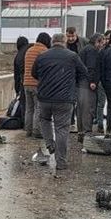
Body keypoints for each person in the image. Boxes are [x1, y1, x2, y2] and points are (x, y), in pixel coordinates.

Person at [32, 33, 90, 170]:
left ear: (52, 42)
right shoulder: (72, 56)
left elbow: (34, 73)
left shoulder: (42, 56)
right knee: (62, 129)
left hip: (44, 97)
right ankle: (61, 162)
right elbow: (84, 73)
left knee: (44, 120)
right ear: (64, 42)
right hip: (64, 100)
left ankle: (49, 143)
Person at [22, 33, 51, 138]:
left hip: (26, 83)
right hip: (37, 84)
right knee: (38, 108)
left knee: (29, 108)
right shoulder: (44, 51)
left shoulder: (29, 50)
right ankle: (37, 131)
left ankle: (28, 130)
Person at [76, 33, 103, 141]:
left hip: (81, 83)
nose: (102, 45)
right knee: (88, 109)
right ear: (97, 42)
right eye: (101, 42)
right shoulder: (92, 51)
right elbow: (91, 67)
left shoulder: (85, 49)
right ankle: (86, 134)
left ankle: (81, 132)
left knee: (81, 109)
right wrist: (92, 81)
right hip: (87, 84)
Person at [13, 36, 30, 119]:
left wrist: (17, 90)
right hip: (35, 82)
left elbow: (16, 76)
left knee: (25, 106)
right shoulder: (30, 50)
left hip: (24, 82)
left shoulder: (18, 56)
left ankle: (25, 122)